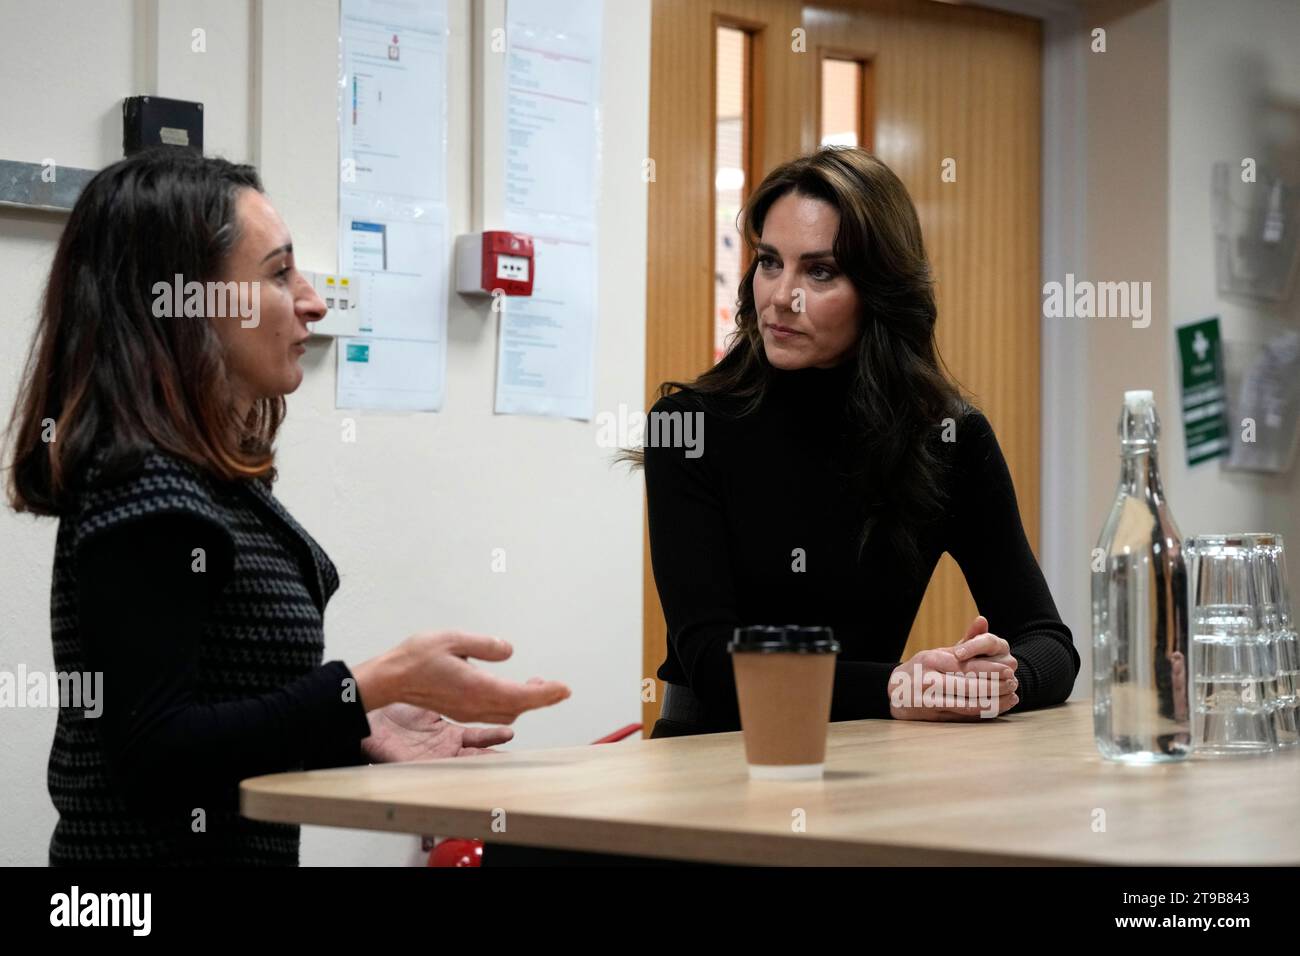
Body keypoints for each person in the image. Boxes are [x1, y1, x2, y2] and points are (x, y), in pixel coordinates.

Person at [3, 147, 570, 865]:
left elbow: (222, 721)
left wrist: (360, 722)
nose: (313, 299)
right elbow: (153, 757)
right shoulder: (144, 488)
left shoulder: (202, 477)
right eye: (278, 274)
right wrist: (366, 684)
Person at [635, 146, 1080, 737]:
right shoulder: (686, 427)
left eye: (820, 272)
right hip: (710, 756)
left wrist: (1004, 677)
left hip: (866, 763)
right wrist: (897, 685)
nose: (781, 297)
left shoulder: (949, 439)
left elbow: (1049, 641)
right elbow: (716, 663)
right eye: (770, 262)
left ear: (879, 289)